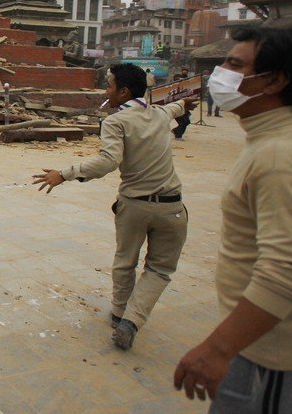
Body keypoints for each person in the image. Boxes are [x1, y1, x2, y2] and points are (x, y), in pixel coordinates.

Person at [174, 26, 292, 412]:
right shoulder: (291, 137)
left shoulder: (281, 155)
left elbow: (287, 270)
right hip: (264, 339)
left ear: (273, 81)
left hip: (270, 351)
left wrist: (218, 348)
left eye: (234, 64)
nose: (221, 72)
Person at [32, 63, 197, 350]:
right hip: (172, 207)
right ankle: (131, 321)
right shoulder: (159, 113)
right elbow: (175, 109)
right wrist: (184, 101)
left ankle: (120, 314)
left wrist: (65, 173)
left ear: (123, 91)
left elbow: (108, 162)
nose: (106, 90)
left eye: (109, 85)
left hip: (134, 206)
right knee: (159, 270)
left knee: (125, 262)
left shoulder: (115, 122)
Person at [173, 67, 192, 140]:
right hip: (177, 105)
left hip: (184, 105)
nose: (184, 72)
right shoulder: (176, 80)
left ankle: (176, 131)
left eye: (186, 71)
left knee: (187, 121)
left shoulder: (188, 80)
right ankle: (178, 136)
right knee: (182, 121)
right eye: (183, 71)